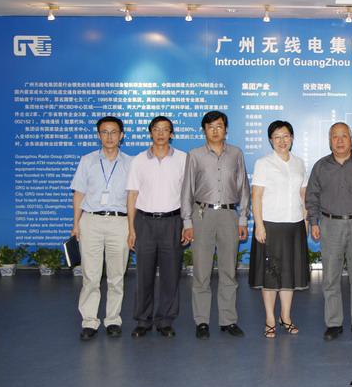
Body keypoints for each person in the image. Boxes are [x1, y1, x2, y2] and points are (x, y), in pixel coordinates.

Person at [306, 122, 352, 341]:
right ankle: (334, 323)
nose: (339, 141)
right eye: (335, 137)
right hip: (329, 225)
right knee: (330, 277)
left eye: (344, 136)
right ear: (329, 141)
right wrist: (314, 222)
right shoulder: (321, 166)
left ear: (351, 139)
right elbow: (312, 196)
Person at [180, 111, 249, 339]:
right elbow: (187, 190)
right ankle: (202, 321)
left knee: (229, 271)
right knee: (202, 271)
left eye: (219, 126)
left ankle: (228, 320)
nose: (215, 130)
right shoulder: (195, 155)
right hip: (202, 216)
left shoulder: (236, 153)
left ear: (225, 129)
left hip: (229, 215)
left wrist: (242, 218)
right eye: (210, 127)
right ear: (204, 130)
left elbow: (243, 187)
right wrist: (187, 221)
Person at [70, 116, 132, 341]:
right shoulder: (87, 160)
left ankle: (113, 319)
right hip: (91, 221)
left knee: (117, 275)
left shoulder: (131, 163)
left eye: (114, 132)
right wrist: (75, 224)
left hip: (119, 222)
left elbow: (133, 198)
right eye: (104, 132)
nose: (109, 137)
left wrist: (132, 227)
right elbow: (79, 193)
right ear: (98, 135)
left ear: (121, 135)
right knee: (91, 275)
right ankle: (89, 321)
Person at [126, 116, 187, 339]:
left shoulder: (183, 159)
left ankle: (165, 320)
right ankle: (143, 320)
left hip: (173, 221)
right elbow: (132, 195)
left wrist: (187, 224)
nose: (161, 133)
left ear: (172, 134)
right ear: (150, 132)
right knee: (144, 274)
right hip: (145, 222)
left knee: (171, 275)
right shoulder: (139, 160)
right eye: (156, 129)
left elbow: (188, 195)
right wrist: (131, 229)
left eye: (165, 129)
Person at [248, 120, 309, 338]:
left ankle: (286, 317)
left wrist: (306, 220)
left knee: (288, 275)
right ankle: (270, 319)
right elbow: (256, 196)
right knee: (271, 275)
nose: (282, 141)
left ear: (292, 138)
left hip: (295, 225)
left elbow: (303, 194)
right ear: (270, 140)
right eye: (277, 137)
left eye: (286, 136)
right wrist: (259, 225)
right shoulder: (263, 163)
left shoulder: (299, 163)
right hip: (271, 225)